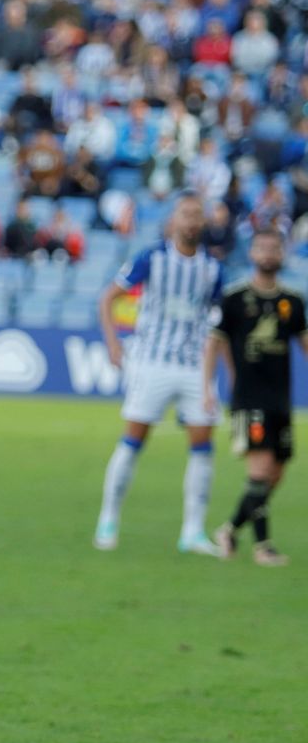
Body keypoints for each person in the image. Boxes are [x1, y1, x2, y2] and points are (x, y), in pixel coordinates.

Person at [94, 192, 225, 555]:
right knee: (134, 439)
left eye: (197, 215)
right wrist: (113, 343)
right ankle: (108, 518)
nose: (191, 221)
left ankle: (193, 531)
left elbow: (219, 325)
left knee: (203, 445)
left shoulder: (213, 269)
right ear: (173, 220)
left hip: (195, 366)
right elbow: (108, 298)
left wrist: (222, 370)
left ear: (203, 221)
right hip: (153, 362)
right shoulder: (151, 258)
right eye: (185, 214)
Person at [204, 229, 306, 565]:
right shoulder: (234, 298)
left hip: (280, 399)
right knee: (260, 470)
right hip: (248, 399)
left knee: (276, 473)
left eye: (274, 248)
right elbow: (214, 343)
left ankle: (229, 531)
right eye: (262, 248)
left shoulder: (293, 300)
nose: (268, 253)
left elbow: (304, 344)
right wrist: (207, 388)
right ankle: (263, 547)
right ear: (251, 253)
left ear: (282, 254)